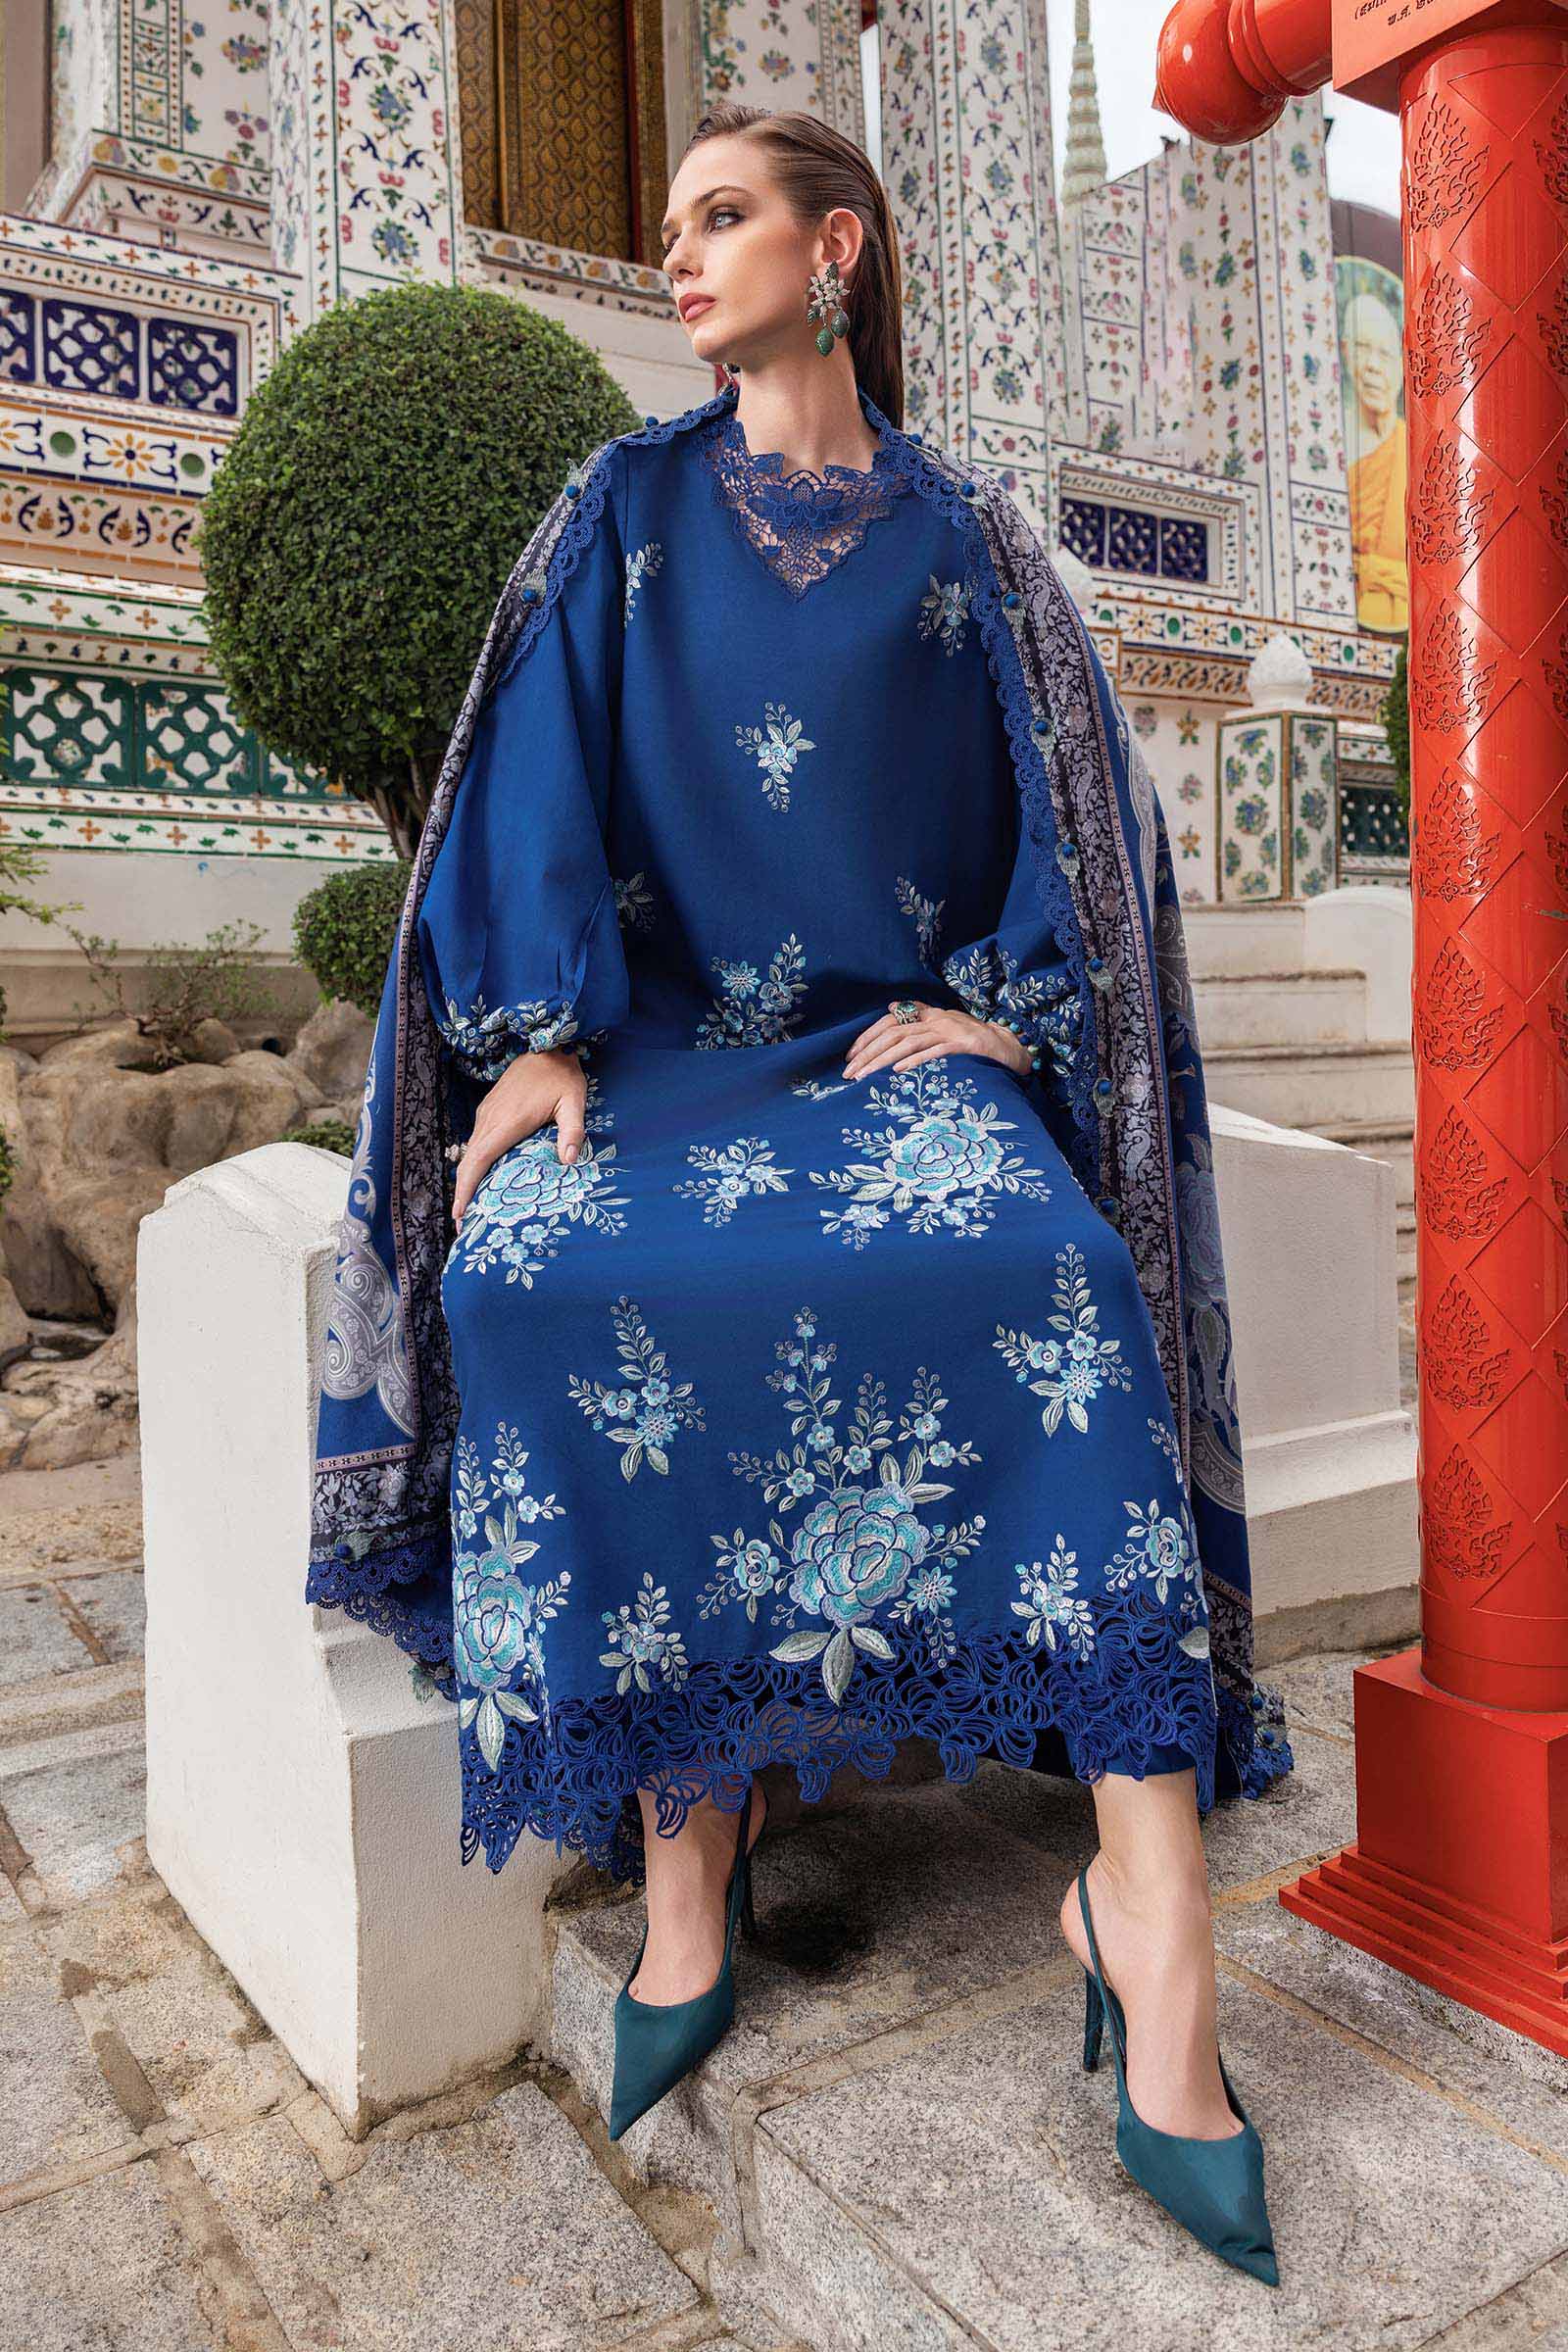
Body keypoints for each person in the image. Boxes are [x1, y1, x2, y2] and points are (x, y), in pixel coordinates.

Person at [307, 101, 1293, 2281]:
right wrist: (540, 1031)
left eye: (723, 215)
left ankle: (1148, 1914)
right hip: (663, 1073)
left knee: (1051, 1266)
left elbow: (1076, 817)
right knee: (539, 1278)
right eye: (668, 224)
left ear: (834, 247)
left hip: (881, 1065)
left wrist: (1013, 1014)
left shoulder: (966, 537)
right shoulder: (622, 510)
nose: (678, 254)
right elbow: (529, 779)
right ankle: (692, 1833)